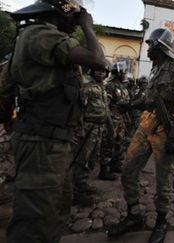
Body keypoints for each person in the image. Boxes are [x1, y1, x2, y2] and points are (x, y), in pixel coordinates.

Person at [4, 1, 106, 242]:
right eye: (76, 17)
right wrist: (88, 27)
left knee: (55, 212)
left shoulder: (47, 37)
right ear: (65, 12)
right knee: (34, 223)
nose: (78, 23)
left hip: (55, 141)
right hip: (41, 141)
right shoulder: (40, 34)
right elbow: (98, 59)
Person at [106, 28, 174, 243]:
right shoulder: (155, 69)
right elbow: (148, 100)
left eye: (151, 44)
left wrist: (173, 136)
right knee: (128, 170)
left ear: (159, 47)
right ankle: (134, 215)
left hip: (164, 128)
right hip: (146, 123)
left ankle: (161, 222)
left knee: (163, 179)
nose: (148, 48)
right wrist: (129, 105)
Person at [73, 66, 116, 206]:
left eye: (103, 71)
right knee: (82, 159)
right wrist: (79, 128)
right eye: (97, 70)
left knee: (92, 159)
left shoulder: (102, 88)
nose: (100, 72)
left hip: (99, 128)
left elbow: (106, 110)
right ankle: (76, 192)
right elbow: (79, 108)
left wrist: (110, 128)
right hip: (88, 128)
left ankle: (83, 184)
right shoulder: (88, 87)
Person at [103, 62, 131, 173]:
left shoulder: (122, 86)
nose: (125, 74)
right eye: (123, 72)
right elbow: (106, 104)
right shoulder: (110, 85)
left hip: (121, 118)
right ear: (118, 73)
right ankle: (104, 169)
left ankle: (116, 165)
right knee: (108, 143)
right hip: (112, 118)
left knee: (120, 143)